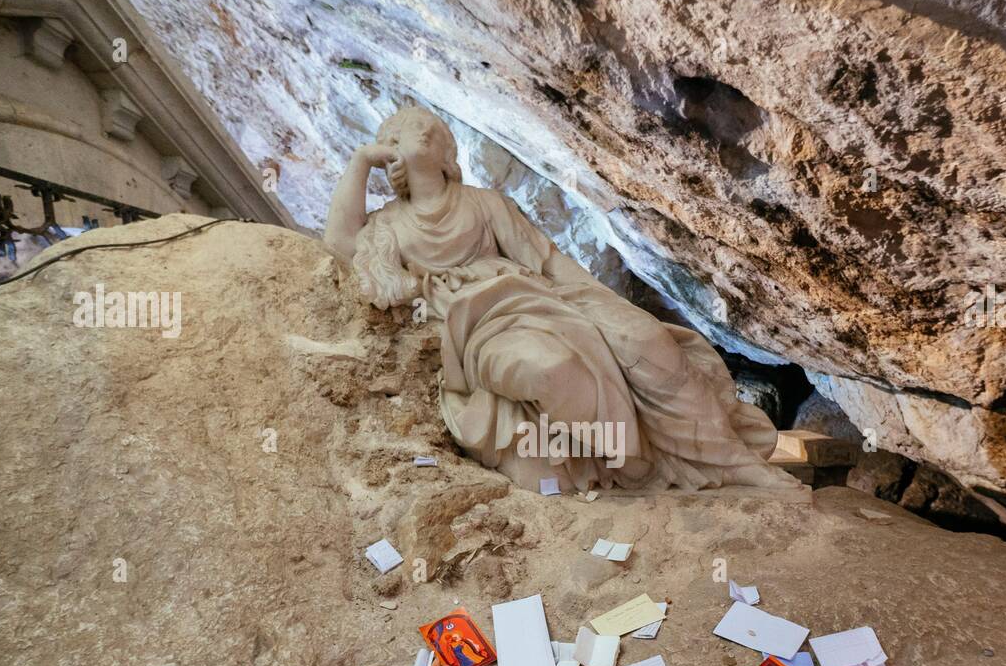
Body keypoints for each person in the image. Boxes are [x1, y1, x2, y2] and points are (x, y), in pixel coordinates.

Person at [325, 105, 797, 494]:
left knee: (646, 339)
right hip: (479, 328)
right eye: (404, 130)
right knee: (549, 368)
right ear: (390, 153)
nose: (421, 128)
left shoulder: (486, 203)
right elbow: (340, 241)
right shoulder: (389, 226)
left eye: (430, 127)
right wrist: (360, 160)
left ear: (448, 152)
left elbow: (548, 262)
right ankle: (633, 463)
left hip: (541, 296)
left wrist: (606, 303)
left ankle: (730, 460)